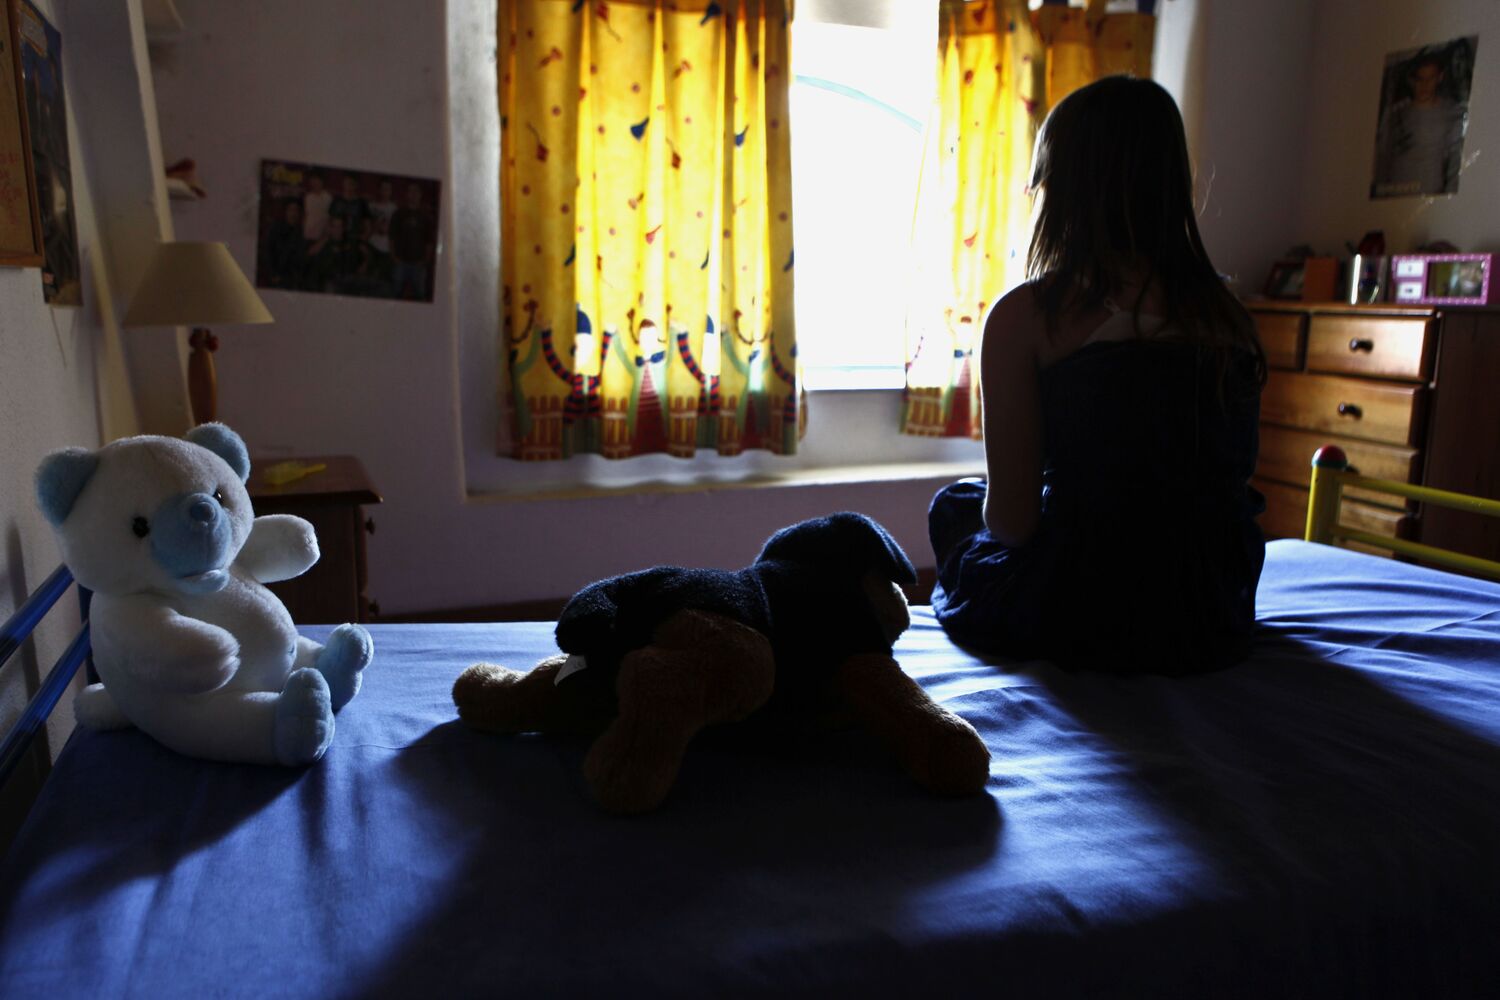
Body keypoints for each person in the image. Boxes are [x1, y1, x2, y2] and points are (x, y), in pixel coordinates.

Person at [927, 76, 1267, 676]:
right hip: (1209, 611)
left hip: (1085, 606)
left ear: (1061, 189)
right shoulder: (1228, 317)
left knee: (956, 507)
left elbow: (1013, 523)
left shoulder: (1028, 316)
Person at [1372, 53, 1466, 197]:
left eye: (1431, 78)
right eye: (1419, 78)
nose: (1425, 84)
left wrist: (1450, 197)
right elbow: (1382, 157)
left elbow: (1456, 159)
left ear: (1439, 77)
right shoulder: (1395, 113)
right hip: (1394, 194)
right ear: (1411, 80)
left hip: (1431, 194)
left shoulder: (1453, 112)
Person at [389, 182, 436, 300]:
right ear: (407, 194)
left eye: (416, 191)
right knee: (396, 294)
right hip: (400, 262)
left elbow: (429, 241)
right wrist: (394, 257)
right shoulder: (398, 213)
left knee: (419, 296)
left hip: (418, 264)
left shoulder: (426, 216)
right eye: (410, 191)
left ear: (420, 194)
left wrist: (425, 260)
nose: (413, 194)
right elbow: (392, 237)